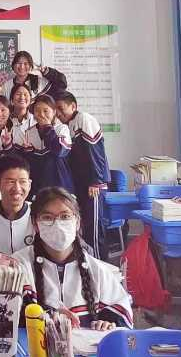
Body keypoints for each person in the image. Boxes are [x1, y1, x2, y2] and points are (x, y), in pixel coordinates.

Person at [14, 187, 133, 330]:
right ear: (35, 224)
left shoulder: (97, 270)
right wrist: (47, 317)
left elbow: (121, 315)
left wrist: (108, 324)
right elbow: (7, 318)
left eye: (65, 216)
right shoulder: (19, 265)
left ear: (77, 222)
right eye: (47, 217)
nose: (57, 224)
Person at [55, 92, 111, 259]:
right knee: (84, 229)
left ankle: (101, 265)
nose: (58, 113)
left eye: (61, 108)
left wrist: (95, 181)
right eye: (56, 109)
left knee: (94, 230)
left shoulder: (84, 119)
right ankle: (87, 264)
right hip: (81, 185)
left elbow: (94, 151)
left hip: (93, 185)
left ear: (73, 106)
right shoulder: (67, 125)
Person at [16, 95, 73, 195]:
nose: (41, 114)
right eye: (37, 111)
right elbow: (27, 163)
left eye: (46, 111)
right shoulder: (29, 132)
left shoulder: (62, 129)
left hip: (60, 185)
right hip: (38, 186)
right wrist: (27, 152)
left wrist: (47, 128)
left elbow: (59, 151)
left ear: (54, 112)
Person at [0, 51, 67, 100]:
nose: (22, 67)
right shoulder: (7, 86)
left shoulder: (39, 81)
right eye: (18, 63)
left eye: (25, 63)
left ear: (30, 67)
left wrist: (46, 71)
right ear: (13, 66)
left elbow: (62, 84)